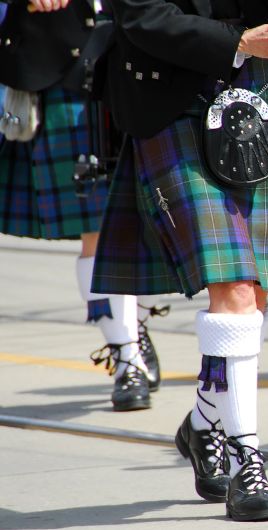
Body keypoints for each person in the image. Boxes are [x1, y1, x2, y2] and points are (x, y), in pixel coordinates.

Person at [92, 0, 268, 521]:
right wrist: (240, 43)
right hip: (176, 99)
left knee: (256, 292)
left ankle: (204, 423)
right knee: (235, 289)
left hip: (264, 94)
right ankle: (249, 461)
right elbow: (139, 14)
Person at [0, 0, 164, 412]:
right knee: (101, 226)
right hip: (61, 68)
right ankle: (126, 356)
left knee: (161, 222)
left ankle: (133, 325)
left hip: (146, 60)